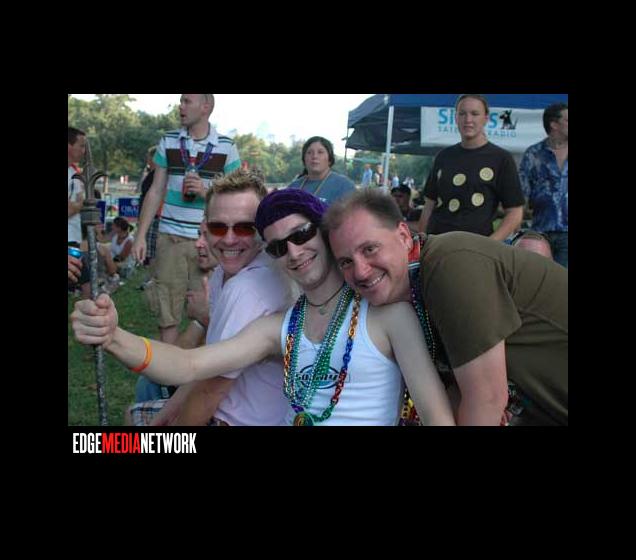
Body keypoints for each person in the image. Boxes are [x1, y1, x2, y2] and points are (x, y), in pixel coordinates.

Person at [71, 189, 455, 426]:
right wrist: (114, 336)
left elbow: (438, 418)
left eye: (301, 234)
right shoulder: (279, 328)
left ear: (324, 231)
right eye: (277, 247)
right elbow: (189, 365)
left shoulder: (389, 317)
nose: (293, 252)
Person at [323, 189, 568, 426]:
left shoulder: (448, 265)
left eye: (370, 249)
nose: (360, 271)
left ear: (404, 236)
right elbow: (460, 396)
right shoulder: (418, 288)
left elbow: (487, 399)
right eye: (346, 262)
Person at [130, 168, 295, 425]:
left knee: (134, 419)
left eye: (244, 228)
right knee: (139, 410)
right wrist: (168, 413)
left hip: (240, 420)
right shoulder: (223, 273)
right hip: (230, 408)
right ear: (205, 226)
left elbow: (210, 391)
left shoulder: (248, 287)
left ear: (262, 229)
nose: (229, 240)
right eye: (218, 227)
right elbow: (205, 366)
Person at [132, 94, 241, 346]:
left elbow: (235, 196)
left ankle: (201, 367)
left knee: (210, 311)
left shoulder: (226, 146)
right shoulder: (168, 140)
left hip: (209, 243)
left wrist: (206, 191)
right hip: (169, 238)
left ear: (206, 107)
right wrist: (140, 236)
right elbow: (156, 190)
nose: (180, 106)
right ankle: (169, 369)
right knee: (167, 312)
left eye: (186, 101)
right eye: (180, 101)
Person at [417, 94, 525, 241]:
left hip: (477, 246)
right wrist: (421, 242)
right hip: (437, 243)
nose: (468, 119)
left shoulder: (501, 159)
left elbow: (515, 212)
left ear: (486, 118)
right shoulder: (443, 157)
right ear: (456, 118)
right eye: (462, 113)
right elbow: (429, 205)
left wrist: (489, 244)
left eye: (474, 114)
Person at [519, 103, 568, 268]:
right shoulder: (533, 154)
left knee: (564, 280)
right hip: (540, 232)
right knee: (539, 278)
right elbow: (522, 194)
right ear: (554, 124)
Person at [287, 136, 356, 205]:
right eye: (309, 152)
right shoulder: (294, 187)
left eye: (320, 152)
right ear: (304, 159)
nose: (314, 156)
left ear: (329, 159)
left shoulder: (344, 186)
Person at [137, 146, 160, 267]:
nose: (148, 161)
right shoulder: (151, 174)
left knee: (151, 252)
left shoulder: (157, 176)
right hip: (147, 216)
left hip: (153, 217)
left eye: (149, 158)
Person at [68, 127, 86, 246]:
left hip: (74, 238)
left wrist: (76, 205)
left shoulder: (73, 173)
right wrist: (80, 204)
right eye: (81, 146)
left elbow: (81, 199)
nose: (84, 151)